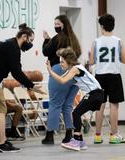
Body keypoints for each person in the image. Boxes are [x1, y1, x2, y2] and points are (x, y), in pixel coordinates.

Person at [0, 23, 43, 152]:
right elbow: (17, 72)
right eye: (31, 40)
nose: (31, 44)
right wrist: (32, 86)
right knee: (1, 110)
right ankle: (2, 143)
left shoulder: (9, 44)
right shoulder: (12, 47)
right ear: (24, 36)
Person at [46, 47, 104, 151]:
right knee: (77, 113)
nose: (60, 64)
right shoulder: (73, 68)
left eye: (62, 62)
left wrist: (50, 71)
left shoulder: (74, 69)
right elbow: (61, 79)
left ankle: (76, 140)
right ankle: (81, 142)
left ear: (69, 61)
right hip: (96, 94)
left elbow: (62, 80)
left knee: (75, 113)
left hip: (95, 94)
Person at [42, 15, 81, 144]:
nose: (56, 26)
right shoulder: (74, 39)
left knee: (54, 104)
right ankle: (70, 133)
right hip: (75, 71)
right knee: (68, 105)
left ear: (63, 24)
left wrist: (46, 39)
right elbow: (78, 53)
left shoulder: (57, 38)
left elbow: (46, 51)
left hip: (59, 69)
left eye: (58, 23)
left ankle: (49, 135)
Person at [89, 14, 125, 144]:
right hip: (113, 74)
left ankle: (98, 136)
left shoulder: (96, 41)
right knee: (114, 106)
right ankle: (113, 135)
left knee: (100, 106)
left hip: (100, 75)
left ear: (102, 26)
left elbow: (91, 61)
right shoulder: (118, 41)